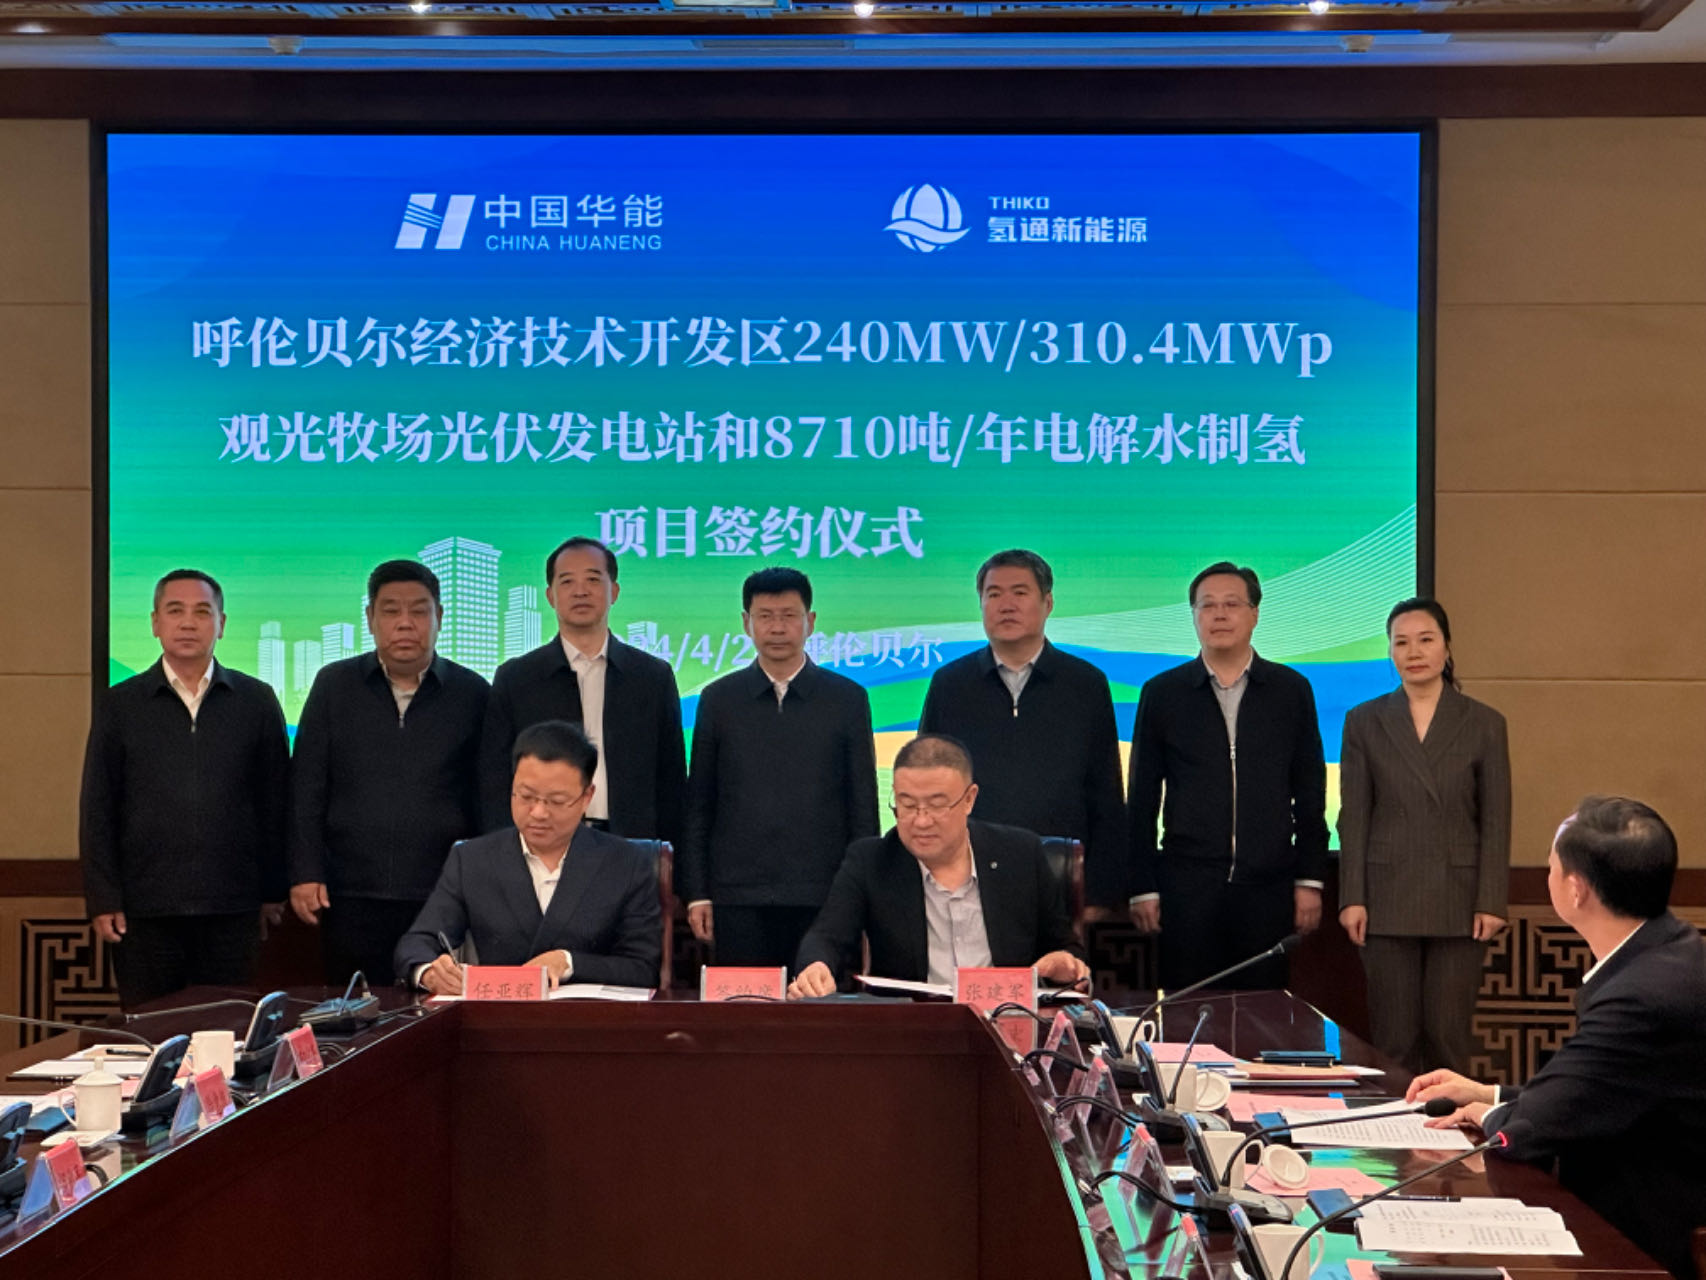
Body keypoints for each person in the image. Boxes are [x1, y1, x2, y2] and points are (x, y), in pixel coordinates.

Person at [1409, 796, 1706, 1280]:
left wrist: (1490, 1115)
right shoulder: (1670, 950)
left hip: (1646, 1239)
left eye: (1551, 866)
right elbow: (1597, 1089)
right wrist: (1490, 1093)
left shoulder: (1641, 995)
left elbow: (1532, 1132)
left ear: (1575, 889)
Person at [80, 570, 289, 1008]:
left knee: (226, 1032)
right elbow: (98, 806)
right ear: (155, 622)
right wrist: (103, 897)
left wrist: (273, 890)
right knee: (152, 1031)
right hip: (144, 911)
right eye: (175, 611)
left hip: (233, 909)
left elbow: (275, 803)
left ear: (221, 623)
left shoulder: (256, 700)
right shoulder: (121, 704)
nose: (188, 623)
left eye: (202, 612)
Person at [1127, 561, 1328, 990]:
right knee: (1188, 1013)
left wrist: (1309, 880)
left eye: (1232, 604)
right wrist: (1142, 886)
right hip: (1187, 889)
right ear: (1193, 616)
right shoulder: (1163, 693)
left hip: (1268, 889)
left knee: (1263, 1013)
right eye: (1207, 605)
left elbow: (1310, 792)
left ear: (1254, 614)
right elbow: (1142, 798)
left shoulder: (1290, 690)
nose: (1219, 614)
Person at [289, 560, 489, 986]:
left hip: (441, 891)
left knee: (435, 1005)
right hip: (349, 891)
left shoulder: (472, 693)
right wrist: (306, 871)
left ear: (439, 617)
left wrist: (484, 883)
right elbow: (307, 786)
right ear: (370, 618)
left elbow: (485, 794)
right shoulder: (334, 686)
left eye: (418, 611)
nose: (405, 623)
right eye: (391, 610)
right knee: (354, 1007)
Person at [1338, 598, 1510, 1074]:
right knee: (1393, 1039)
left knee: (1448, 1037)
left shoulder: (1484, 723)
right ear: (1390, 652)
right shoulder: (1364, 720)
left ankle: (1449, 1122)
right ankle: (1398, 1123)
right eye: (1401, 642)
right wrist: (1352, 896)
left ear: (1447, 647)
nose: (1413, 652)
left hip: (1461, 897)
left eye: (1426, 639)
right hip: (1386, 895)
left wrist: (1491, 900)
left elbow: (1496, 818)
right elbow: (1354, 816)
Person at [678, 567, 879, 969]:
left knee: (818, 1002)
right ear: (746, 623)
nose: (777, 628)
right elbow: (699, 804)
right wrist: (698, 892)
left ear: (811, 621)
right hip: (737, 895)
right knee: (745, 1002)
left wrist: (862, 893)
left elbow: (863, 806)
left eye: (789, 615)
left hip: (823, 894)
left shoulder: (847, 699)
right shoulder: (718, 699)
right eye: (765, 616)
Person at [789, 734, 1088, 998]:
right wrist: (816, 966)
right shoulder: (871, 860)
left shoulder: (1021, 854)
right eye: (907, 805)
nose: (921, 821)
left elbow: (1066, 949)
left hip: (1004, 1018)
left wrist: (1065, 963)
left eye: (936, 805)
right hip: (914, 1027)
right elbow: (826, 936)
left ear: (969, 799)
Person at [918, 549, 1128, 912]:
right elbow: (925, 786)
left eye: (1020, 592)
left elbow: (1106, 793)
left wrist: (1100, 893)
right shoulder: (950, 684)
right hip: (964, 882)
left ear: (1048, 603)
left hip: (1061, 880)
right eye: (994, 594)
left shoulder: (1085, 684)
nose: (1006, 605)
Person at [396, 720, 662, 993]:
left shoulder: (627, 863)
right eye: (526, 796)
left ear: (586, 797)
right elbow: (417, 943)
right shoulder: (472, 859)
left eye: (556, 801)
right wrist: (428, 972)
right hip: (497, 1015)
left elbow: (643, 967)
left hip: (589, 1016)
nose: (538, 813)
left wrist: (568, 962)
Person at [479, 536, 684, 844]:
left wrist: (669, 859)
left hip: (631, 846)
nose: (580, 591)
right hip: (541, 844)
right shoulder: (517, 678)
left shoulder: (652, 677)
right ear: (550, 596)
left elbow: (672, 781)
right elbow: (494, 781)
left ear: (614, 591)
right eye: (567, 581)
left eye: (593, 579)